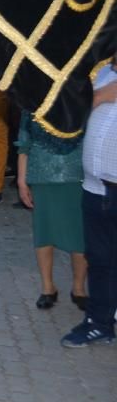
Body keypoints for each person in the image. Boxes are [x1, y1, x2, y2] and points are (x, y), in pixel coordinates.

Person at [61, 55, 117, 347]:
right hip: (95, 187)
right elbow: (77, 111)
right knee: (99, 260)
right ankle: (100, 322)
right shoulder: (104, 73)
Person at [16, 110, 87, 311]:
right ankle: (48, 288)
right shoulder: (31, 100)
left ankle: (79, 288)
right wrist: (22, 180)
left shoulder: (81, 97)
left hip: (78, 174)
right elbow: (23, 142)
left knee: (79, 236)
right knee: (43, 233)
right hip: (41, 174)